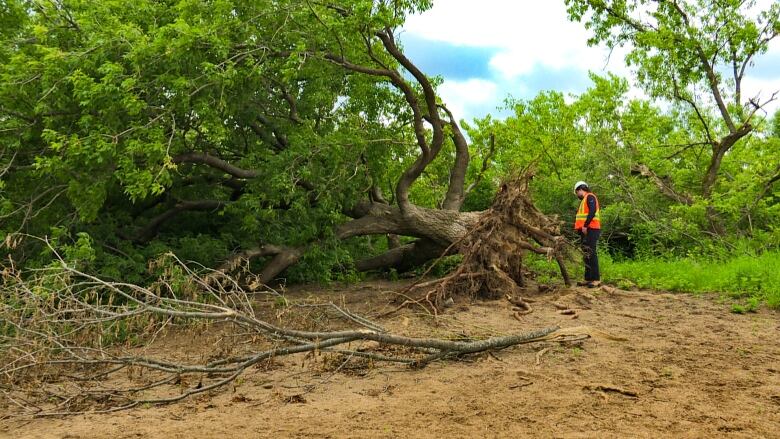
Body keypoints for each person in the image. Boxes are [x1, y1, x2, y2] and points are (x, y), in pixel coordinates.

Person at [573, 181, 601, 287]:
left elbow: (592, 211)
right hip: (585, 230)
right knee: (586, 254)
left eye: (577, 192)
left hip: (591, 229)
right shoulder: (585, 199)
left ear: (580, 189)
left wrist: (585, 225)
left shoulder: (590, 197)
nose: (577, 195)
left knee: (591, 253)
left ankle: (596, 279)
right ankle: (588, 278)